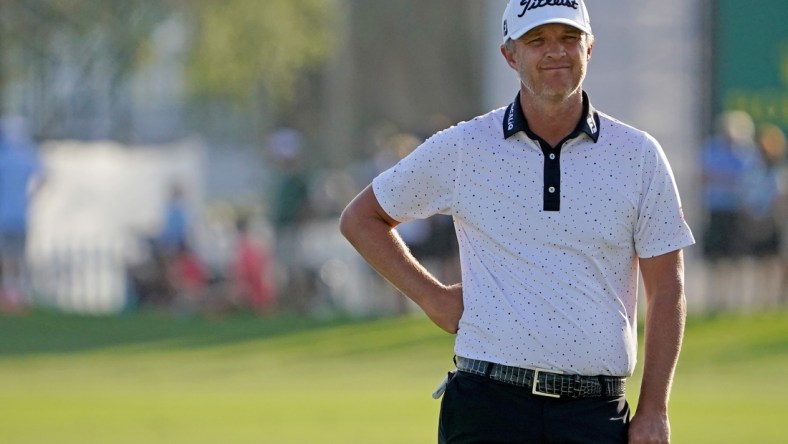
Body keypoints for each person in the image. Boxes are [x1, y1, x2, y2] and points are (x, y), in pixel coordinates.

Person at [339, 1, 695, 443]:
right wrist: (433, 298)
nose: (556, 53)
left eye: (569, 39)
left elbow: (667, 289)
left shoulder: (638, 156)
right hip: (488, 404)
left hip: (593, 413)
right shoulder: (466, 147)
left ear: (590, 46)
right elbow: (362, 218)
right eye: (537, 41)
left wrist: (655, 408)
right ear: (510, 55)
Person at [0, 116, 43, 312]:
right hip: (21, 216)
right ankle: (18, 296)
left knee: (8, 260)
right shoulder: (25, 155)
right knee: (18, 259)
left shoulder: (6, 156)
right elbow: (44, 176)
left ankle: (12, 300)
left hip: (5, 217)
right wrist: (31, 197)